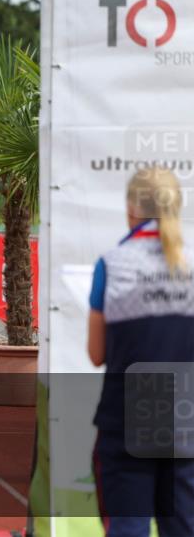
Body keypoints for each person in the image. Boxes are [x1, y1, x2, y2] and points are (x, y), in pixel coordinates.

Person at [87, 167, 194, 537]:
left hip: (126, 416)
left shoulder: (112, 265)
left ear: (132, 207)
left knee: (127, 526)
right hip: (185, 417)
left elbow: (96, 353)